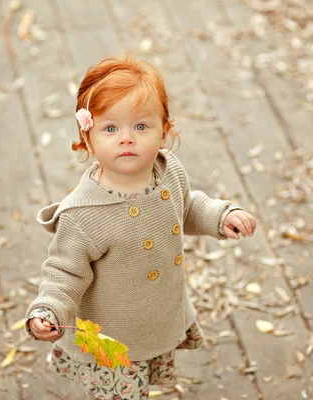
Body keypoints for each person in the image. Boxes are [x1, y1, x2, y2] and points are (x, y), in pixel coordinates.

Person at [25, 54, 257, 399]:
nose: (126, 138)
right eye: (110, 128)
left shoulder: (168, 170)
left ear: (164, 132)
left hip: (155, 311)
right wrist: (48, 309)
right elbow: (65, 272)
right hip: (112, 336)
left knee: (145, 383)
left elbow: (186, 206)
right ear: (87, 138)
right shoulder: (84, 214)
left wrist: (219, 217)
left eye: (141, 126)